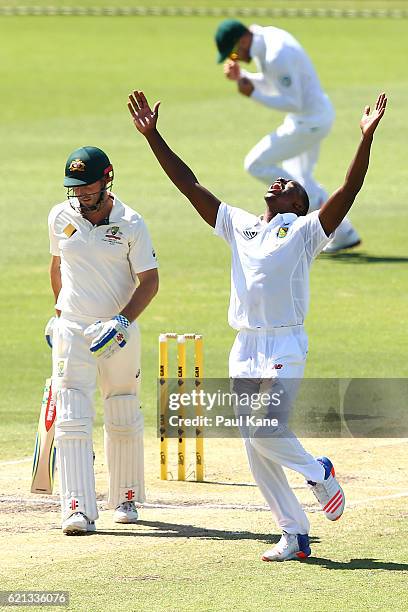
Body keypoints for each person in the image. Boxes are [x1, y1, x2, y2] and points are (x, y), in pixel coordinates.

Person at [127, 89, 386, 560]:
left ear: (301, 205)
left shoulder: (308, 232)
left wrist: (365, 138)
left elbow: (349, 190)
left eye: (291, 185)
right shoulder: (239, 225)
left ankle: (318, 473)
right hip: (244, 345)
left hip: (285, 344)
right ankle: (294, 532)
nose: (281, 180)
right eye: (280, 180)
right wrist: (153, 137)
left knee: (265, 430)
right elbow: (190, 185)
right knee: (253, 445)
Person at [47, 145, 159, 535]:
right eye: (74, 187)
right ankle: (76, 507)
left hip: (118, 332)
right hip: (74, 330)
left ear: (107, 179)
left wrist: (123, 321)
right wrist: (58, 315)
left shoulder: (131, 222)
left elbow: (150, 281)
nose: (80, 194)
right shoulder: (60, 216)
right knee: (73, 415)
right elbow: (58, 266)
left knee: (123, 410)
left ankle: (126, 496)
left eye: (87, 187)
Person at [214, 19, 360, 254]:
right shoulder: (266, 39)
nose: (235, 58)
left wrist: (252, 93)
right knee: (301, 177)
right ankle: (343, 233)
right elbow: (275, 83)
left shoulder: (275, 54)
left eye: (233, 52)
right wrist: (245, 77)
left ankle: (316, 205)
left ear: (243, 40)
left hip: (308, 122)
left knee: (256, 164)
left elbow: (293, 102)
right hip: (311, 117)